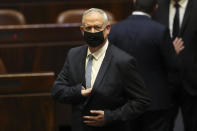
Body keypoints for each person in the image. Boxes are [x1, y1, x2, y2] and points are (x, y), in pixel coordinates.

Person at [51, 8, 151, 131]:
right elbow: (57, 90)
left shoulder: (123, 61)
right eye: (88, 28)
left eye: (97, 27)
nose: (93, 32)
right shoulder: (73, 55)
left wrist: (110, 117)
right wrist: (78, 92)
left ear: (107, 29)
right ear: (82, 30)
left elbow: (141, 101)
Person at [109, 0, 181, 131]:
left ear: (134, 3)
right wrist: (173, 52)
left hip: (125, 100)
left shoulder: (114, 30)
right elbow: (173, 66)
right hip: (155, 101)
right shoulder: (160, 31)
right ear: (155, 8)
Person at [153, 0, 197, 131]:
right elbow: (150, 38)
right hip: (164, 82)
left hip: (193, 82)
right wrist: (168, 51)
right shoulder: (157, 6)